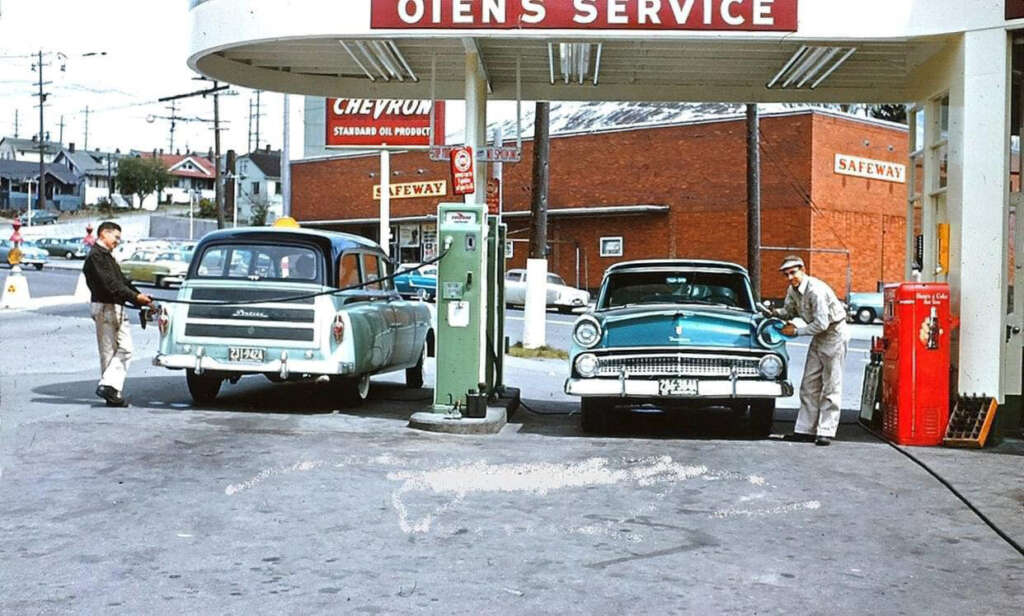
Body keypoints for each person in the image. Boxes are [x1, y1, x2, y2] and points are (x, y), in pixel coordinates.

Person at [773, 255, 849, 446]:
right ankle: (805, 430)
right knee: (809, 383)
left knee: (831, 384)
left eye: (793, 272)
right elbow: (789, 311)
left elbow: (822, 323)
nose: (790, 277)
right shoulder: (793, 290)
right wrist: (774, 313)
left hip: (833, 333)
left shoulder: (815, 290)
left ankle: (826, 431)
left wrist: (796, 332)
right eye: (786, 274)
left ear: (803, 269)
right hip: (818, 336)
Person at [82, 222, 152, 407]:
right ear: (104, 233)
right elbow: (111, 286)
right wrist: (136, 297)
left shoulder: (106, 257)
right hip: (105, 308)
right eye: (116, 237)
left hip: (113, 308)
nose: (117, 242)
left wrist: (140, 298)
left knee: (123, 349)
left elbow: (122, 282)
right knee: (110, 352)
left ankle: (109, 387)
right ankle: (111, 392)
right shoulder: (96, 257)